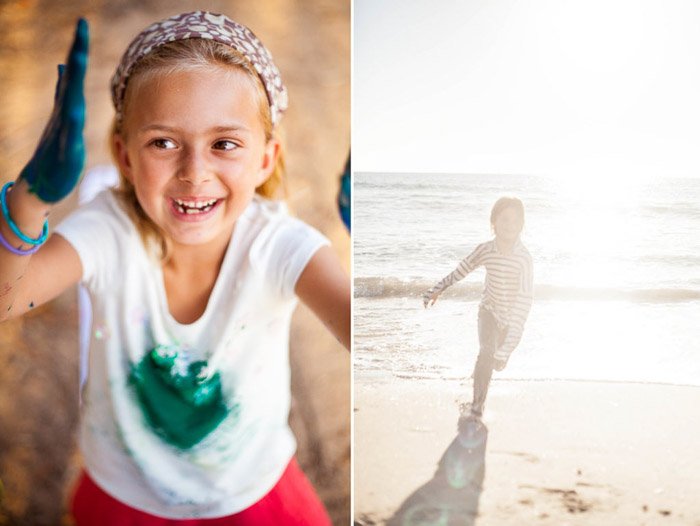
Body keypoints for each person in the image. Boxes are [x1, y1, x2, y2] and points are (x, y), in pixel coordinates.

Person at [0, 12, 349, 525]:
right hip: (124, 495)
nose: (194, 173)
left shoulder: (279, 244)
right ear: (124, 155)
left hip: (253, 494)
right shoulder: (110, 232)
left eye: (224, 144)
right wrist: (30, 198)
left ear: (266, 159)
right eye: (163, 142)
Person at [423, 197, 533, 420]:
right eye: (504, 219)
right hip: (488, 310)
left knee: (497, 361)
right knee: (486, 352)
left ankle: (488, 368)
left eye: (515, 221)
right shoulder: (485, 250)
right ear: (493, 222)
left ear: (522, 224)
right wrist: (438, 289)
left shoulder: (524, 259)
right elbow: (462, 269)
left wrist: (510, 341)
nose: (509, 225)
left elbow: (524, 300)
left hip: (512, 320)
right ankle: (477, 405)